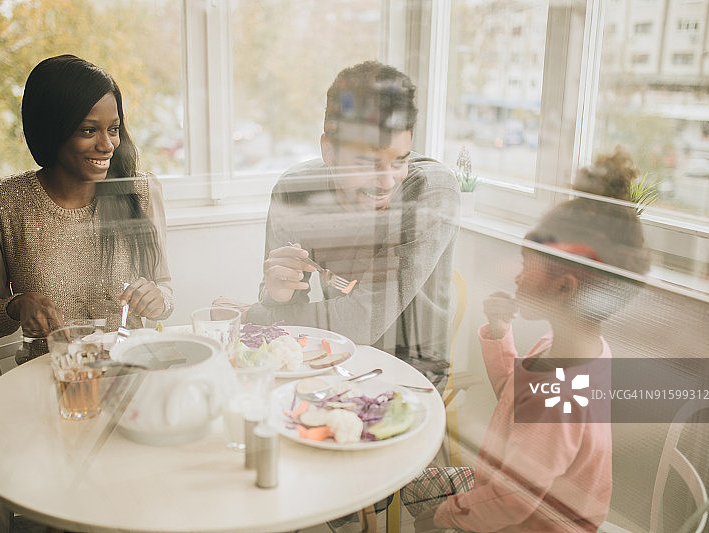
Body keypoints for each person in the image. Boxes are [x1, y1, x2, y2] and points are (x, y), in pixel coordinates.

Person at [410, 147, 651, 532]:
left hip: (528, 523)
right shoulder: (574, 351)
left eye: (527, 267)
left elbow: (510, 501)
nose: (518, 278)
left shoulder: (561, 398)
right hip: (507, 493)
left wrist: (444, 517)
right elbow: (516, 394)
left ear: (564, 288)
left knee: (422, 514)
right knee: (413, 487)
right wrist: (499, 335)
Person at [239, 60, 460, 390]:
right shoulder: (294, 190)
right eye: (369, 162)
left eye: (400, 160)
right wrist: (277, 297)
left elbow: (363, 320)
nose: (387, 181)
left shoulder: (430, 190)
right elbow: (282, 306)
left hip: (409, 371)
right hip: (330, 355)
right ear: (328, 149)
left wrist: (253, 318)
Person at [0, 54, 173, 354]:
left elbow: (165, 293)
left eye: (113, 129)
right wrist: (17, 306)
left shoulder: (140, 192)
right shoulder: (1, 203)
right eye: (88, 130)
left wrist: (157, 299)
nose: (107, 145)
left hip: (130, 369)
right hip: (52, 375)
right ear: (52, 130)